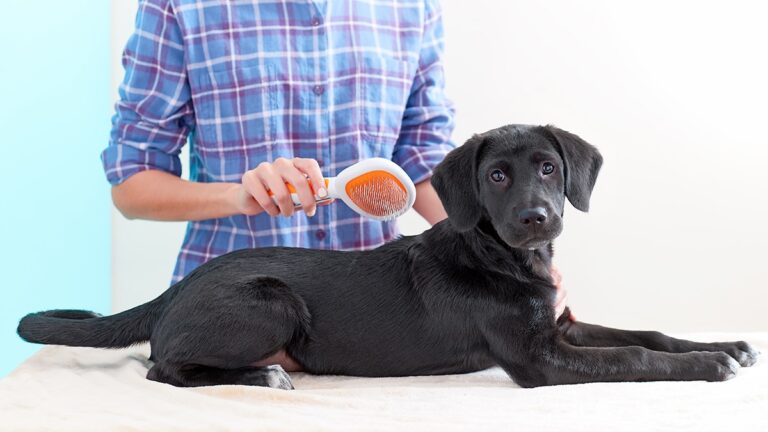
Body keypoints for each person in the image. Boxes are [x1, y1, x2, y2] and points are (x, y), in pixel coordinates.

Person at [102, 0, 566, 318]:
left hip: (374, 320)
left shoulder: (410, 7)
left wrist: (511, 264)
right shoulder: (180, 6)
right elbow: (131, 186)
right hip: (230, 314)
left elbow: (423, 165)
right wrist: (237, 196)